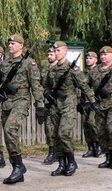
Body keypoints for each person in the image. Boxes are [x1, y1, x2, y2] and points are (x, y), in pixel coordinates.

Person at [0, 34, 46, 185]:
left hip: (21, 100)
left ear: (21, 45)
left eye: (14, 43)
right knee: (8, 136)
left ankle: (18, 165)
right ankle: (17, 167)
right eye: (9, 43)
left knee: (9, 129)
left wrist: (40, 106)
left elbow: (36, 86)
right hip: (6, 102)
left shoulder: (29, 63)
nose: (10, 46)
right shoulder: (5, 63)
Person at [42, 41, 97, 176]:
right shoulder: (51, 69)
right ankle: (62, 163)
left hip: (69, 105)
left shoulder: (73, 69)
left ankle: (71, 162)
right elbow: (46, 86)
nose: (56, 53)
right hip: (55, 106)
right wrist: (47, 94)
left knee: (64, 133)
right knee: (55, 136)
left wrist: (93, 101)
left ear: (65, 52)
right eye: (54, 51)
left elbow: (84, 86)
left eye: (58, 51)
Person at [81, 51, 102, 158]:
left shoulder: (99, 71)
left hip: (95, 102)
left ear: (96, 60)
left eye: (91, 58)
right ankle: (90, 147)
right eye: (87, 58)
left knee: (92, 123)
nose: (88, 59)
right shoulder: (83, 72)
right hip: (85, 102)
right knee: (86, 125)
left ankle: (98, 145)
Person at [41, 46, 57, 164]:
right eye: (48, 54)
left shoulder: (64, 68)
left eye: (51, 54)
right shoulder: (45, 69)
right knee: (49, 128)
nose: (49, 56)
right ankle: (52, 151)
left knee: (62, 129)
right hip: (48, 102)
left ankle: (63, 152)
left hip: (61, 103)